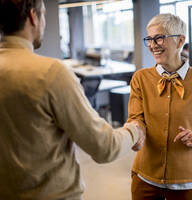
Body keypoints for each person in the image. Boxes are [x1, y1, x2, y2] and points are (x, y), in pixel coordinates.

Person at [0, 1, 144, 199]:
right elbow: (104, 147)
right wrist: (134, 131)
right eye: (43, 15)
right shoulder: (51, 73)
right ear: (33, 16)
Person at [127, 13, 192, 200]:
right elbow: (136, 117)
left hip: (187, 179)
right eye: (149, 39)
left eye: (159, 38)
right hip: (146, 176)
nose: (153, 45)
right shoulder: (140, 78)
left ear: (180, 41)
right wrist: (136, 130)